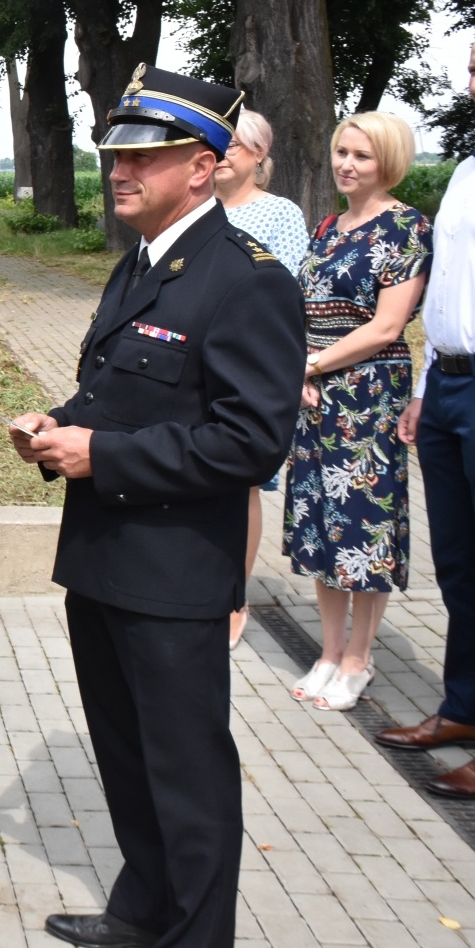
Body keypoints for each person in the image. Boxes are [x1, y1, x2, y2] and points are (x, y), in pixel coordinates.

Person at [8, 64, 304, 948]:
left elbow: (251, 441)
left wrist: (100, 454)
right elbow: (115, 393)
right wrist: (57, 424)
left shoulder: (247, 277)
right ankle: (143, 911)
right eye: (116, 156)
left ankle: (196, 935)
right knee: (128, 761)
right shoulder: (141, 263)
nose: (120, 172)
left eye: (148, 156)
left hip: (175, 573)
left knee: (187, 776)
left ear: (204, 167)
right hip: (104, 559)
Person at [283, 111, 430, 712]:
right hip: (314, 391)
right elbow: (301, 310)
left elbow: (388, 325)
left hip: (369, 392)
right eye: (341, 151)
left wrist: (312, 367)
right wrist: (299, 369)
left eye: (361, 156)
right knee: (321, 523)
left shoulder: (408, 227)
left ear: (388, 162)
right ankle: (327, 650)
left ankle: (358, 659)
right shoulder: (328, 226)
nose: (347, 164)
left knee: (364, 526)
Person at [375, 41, 475, 796]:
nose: (469, 78)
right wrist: (427, 385)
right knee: (460, 566)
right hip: (448, 387)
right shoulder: (468, 172)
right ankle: (463, 707)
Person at [213, 108, 309, 650]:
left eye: (237, 145)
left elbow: (288, 299)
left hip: (246, 362)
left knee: (242, 482)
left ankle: (234, 597)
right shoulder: (194, 207)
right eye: (219, 144)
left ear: (258, 156)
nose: (225, 153)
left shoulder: (280, 215)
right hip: (192, 362)